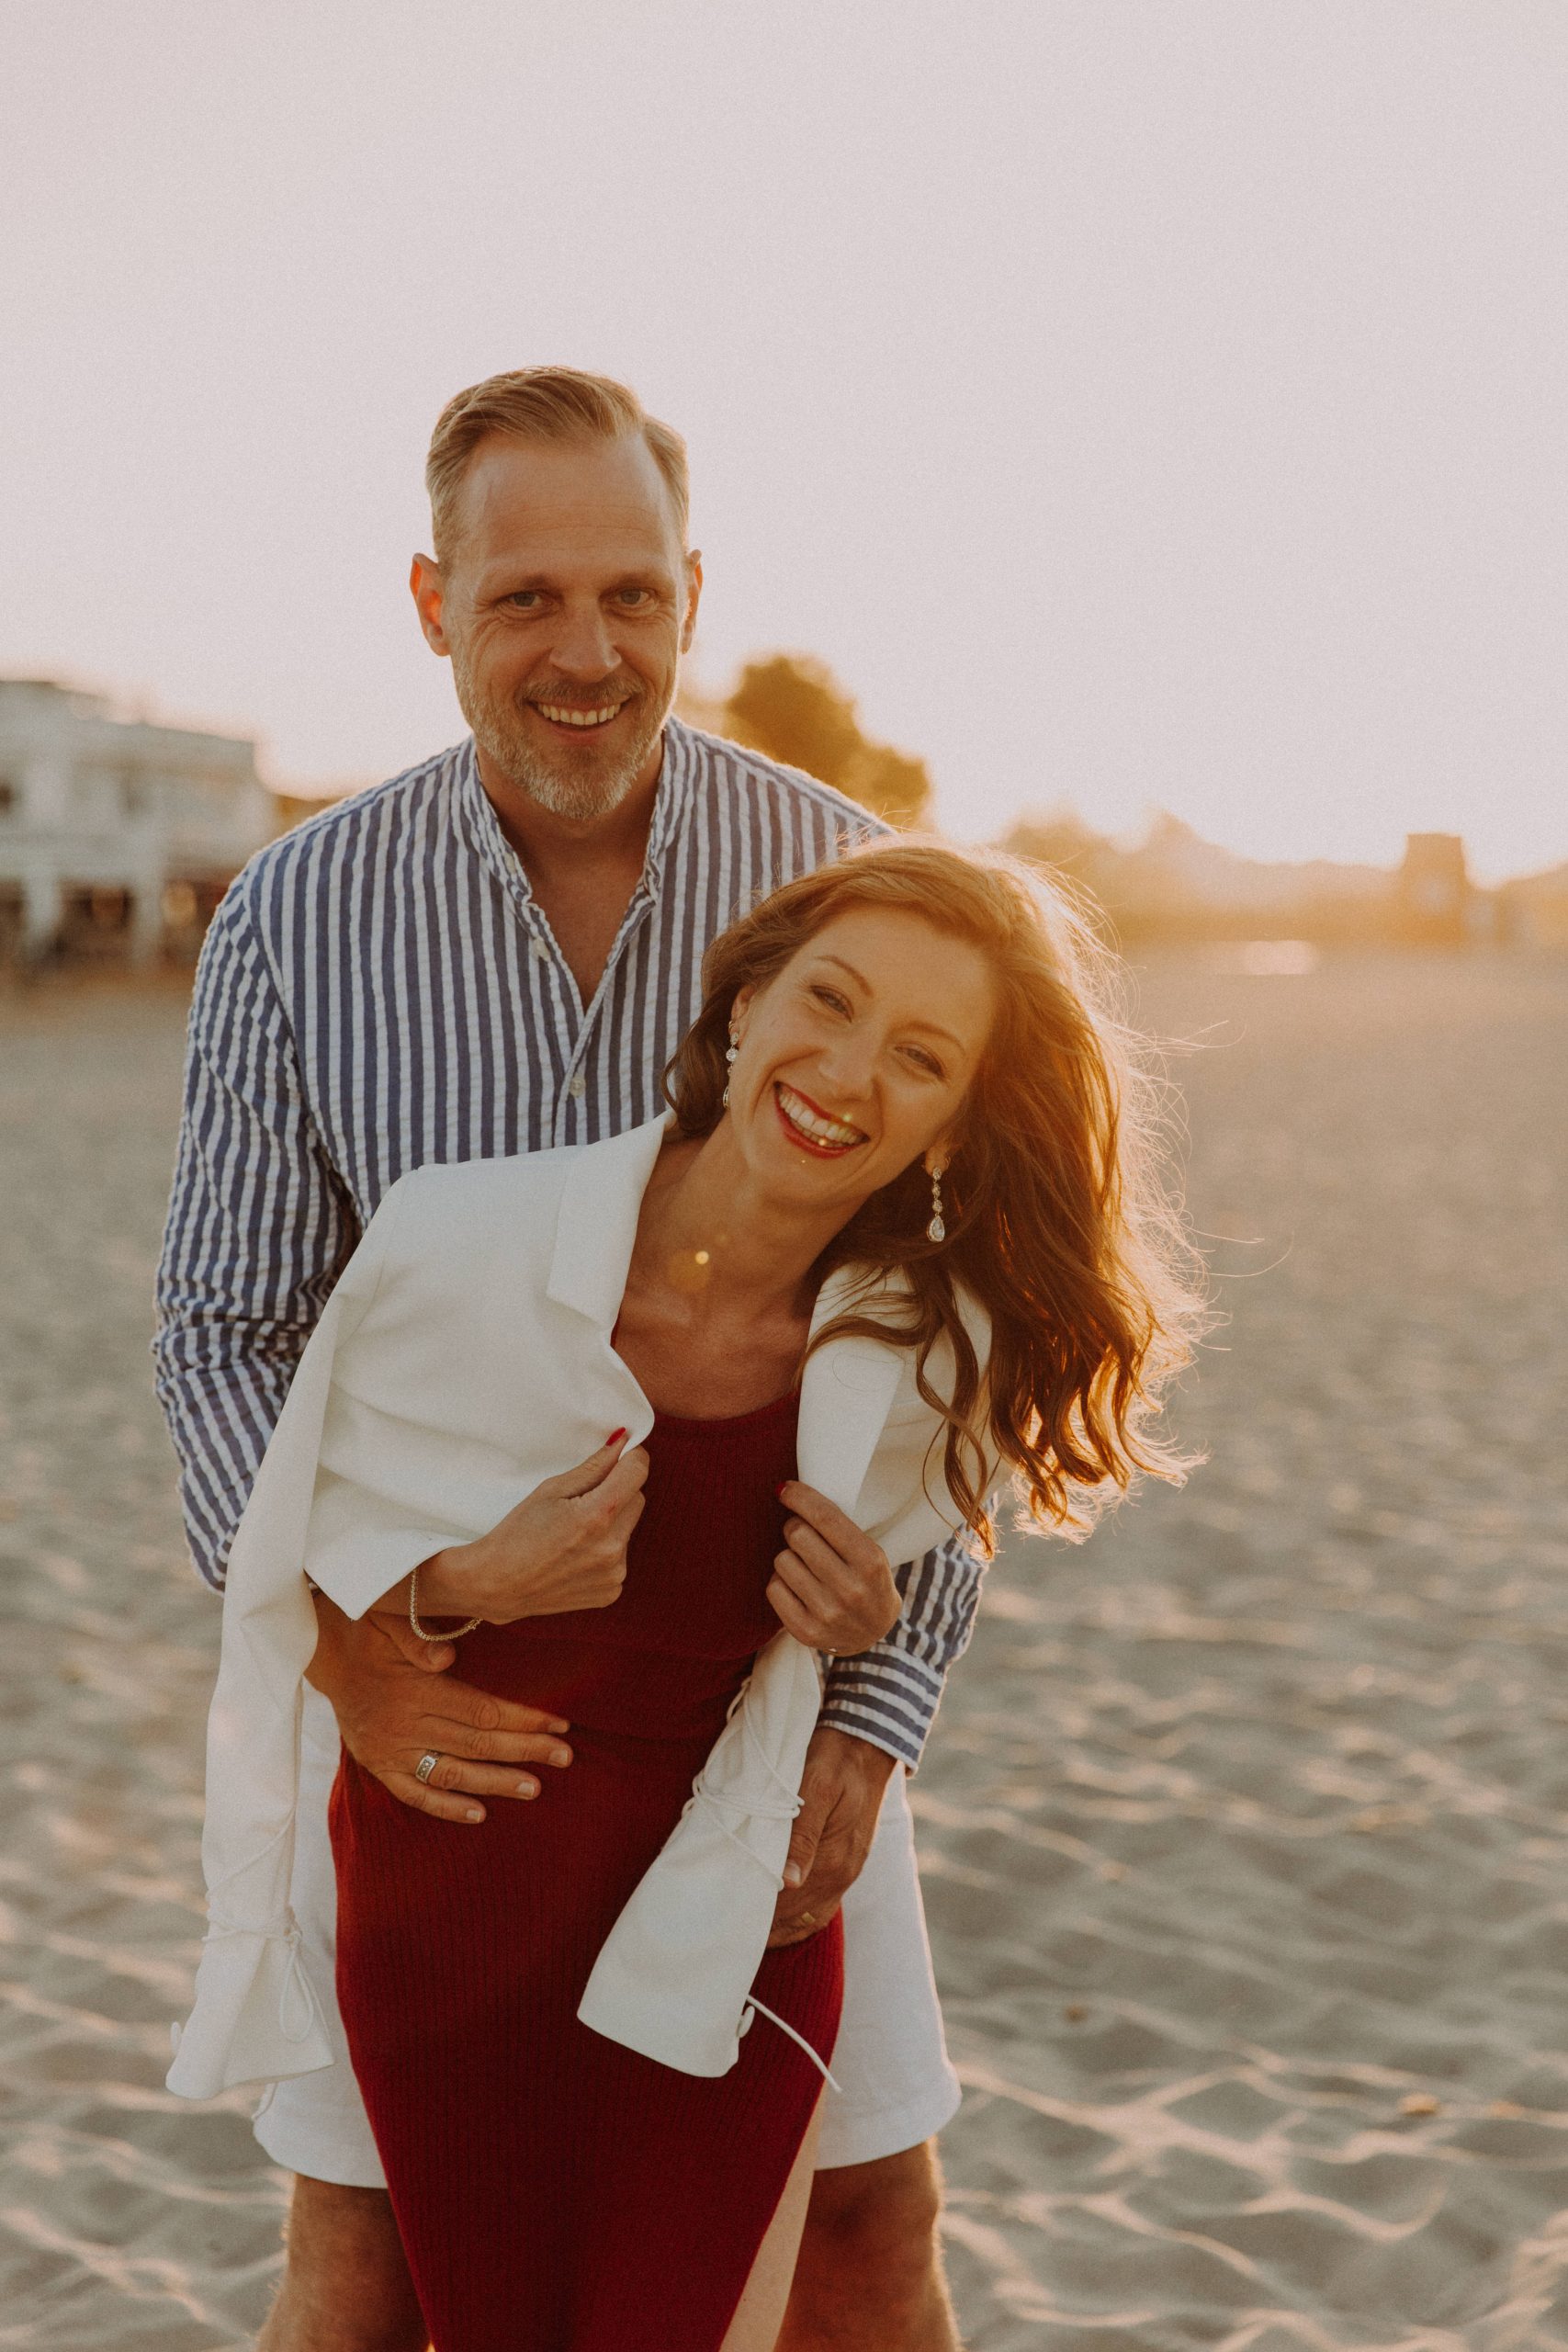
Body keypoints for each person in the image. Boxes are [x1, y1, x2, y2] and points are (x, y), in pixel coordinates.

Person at [154, 368, 997, 2352]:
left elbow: (949, 1336)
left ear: (692, 593)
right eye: (524, 597)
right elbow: (221, 1325)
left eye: (628, 593)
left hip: (763, 1691)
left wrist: (877, 1709)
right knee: (370, 2269)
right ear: (431, 601)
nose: (583, 652)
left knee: (869, 2230)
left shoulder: (838, 875)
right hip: (431, 1704)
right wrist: (356, 1639)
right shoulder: (295, 913)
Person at [169, 838, 1202, 2352]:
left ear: (953, 1125)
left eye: (921, 1058)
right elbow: (287, 1531)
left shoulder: (935, 1353)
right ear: (740, 1006)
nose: (849, 1073)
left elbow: (934, 1562)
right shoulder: (458, 1240)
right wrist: (453, 1584)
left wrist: (870, 1643)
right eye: (828, 1003)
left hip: (731, 1915)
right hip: (453, 1904)